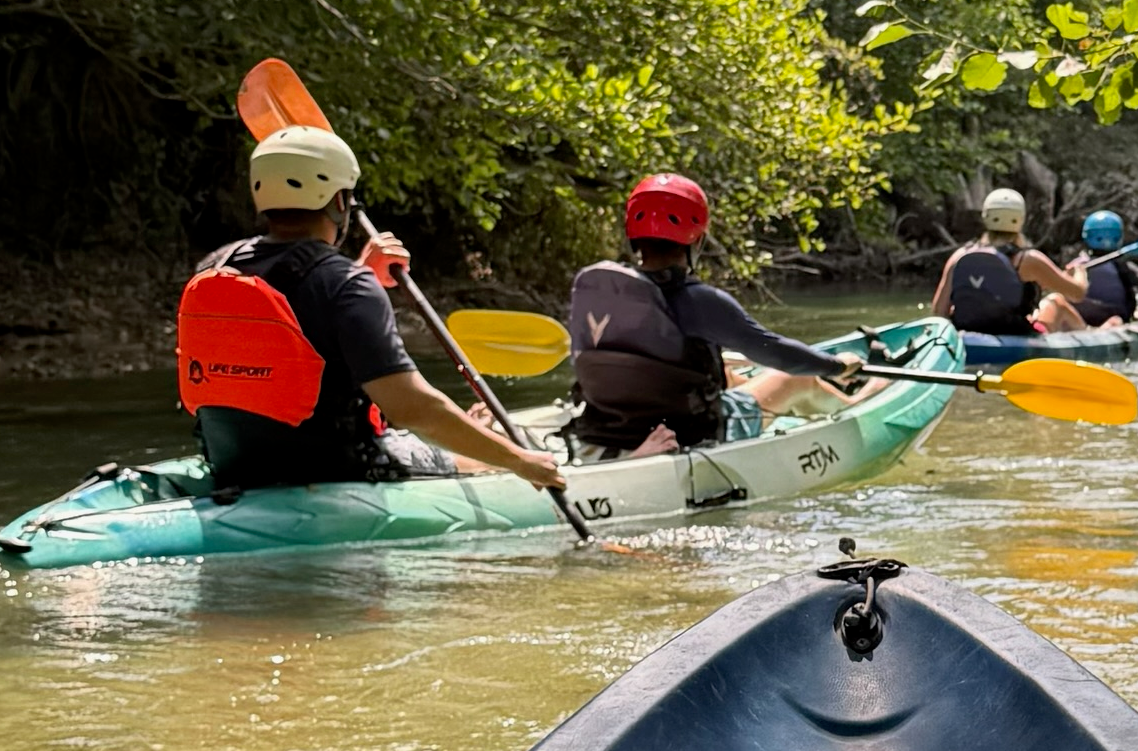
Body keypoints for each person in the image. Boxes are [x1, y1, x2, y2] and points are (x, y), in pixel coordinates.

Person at [177, 124, 564, 494]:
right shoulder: (345, 285)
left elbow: (294, 317)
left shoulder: (216, 266)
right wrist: (519, 460)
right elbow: (413, 409)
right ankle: (491, 444)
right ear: (340, 201)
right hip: (337, 470)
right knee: (483, 459)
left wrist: (361, 275)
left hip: (233, 465)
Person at [565, 173, 869, 459]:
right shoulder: (701, 301)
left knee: (727, 373)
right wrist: (836, 365)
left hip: (611, 430)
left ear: (633, 234)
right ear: (697, 240)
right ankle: (861, 406)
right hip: (689, 433)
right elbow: (776, 353)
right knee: (794, 380)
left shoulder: (613, 298)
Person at [932, 187, 1089, 335]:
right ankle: (1093, 336)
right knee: (1056, 301)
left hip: (966, 333)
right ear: (1020, 220)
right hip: (1016, 335)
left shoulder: (960, 255)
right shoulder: (1028, 260)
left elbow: (939, 311)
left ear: (986, 217)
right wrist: (1080, 272)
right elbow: (1077, 294)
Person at [1071, 209, 1138, 328]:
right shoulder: (1121, 265)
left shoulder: (1077, 265)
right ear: (1118, 237)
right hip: (1119, 318)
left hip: (1085, 319)